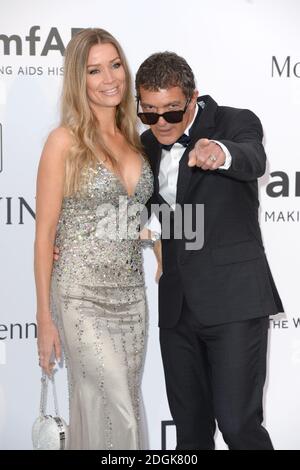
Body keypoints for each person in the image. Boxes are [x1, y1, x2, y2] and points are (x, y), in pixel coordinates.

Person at [135, 51, 283, 450]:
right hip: (177, 306)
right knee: (190, 436)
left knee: (239, 427)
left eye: (171, 111)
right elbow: (137, 209)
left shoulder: (234, 122)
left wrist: (221, 152)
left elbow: (253, 157)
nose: (160, 123)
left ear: (193, 97)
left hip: (234, 302)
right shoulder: (144, 145)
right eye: (149, 112)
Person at [34, 28, 154, 450]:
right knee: (117, 404)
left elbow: (132, 218)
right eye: (95, 70)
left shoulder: (137, 141)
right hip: (80, 295)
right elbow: (44, 234)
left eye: (116, 65)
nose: (110, 79)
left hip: (131, 299)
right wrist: (44, 318)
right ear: (78, 80)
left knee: (122, 406)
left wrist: (157, 243)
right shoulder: (63, 142)